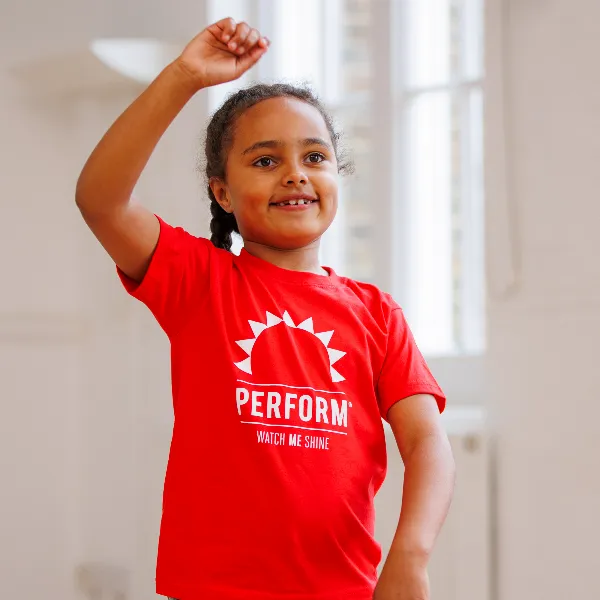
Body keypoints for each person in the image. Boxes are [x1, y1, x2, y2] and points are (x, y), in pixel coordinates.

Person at [75, 17, 456, 600]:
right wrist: (184, 78)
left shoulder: (376, 313)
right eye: (264, 161)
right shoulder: (199, 281)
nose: (295, 174)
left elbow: (428, 442)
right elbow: (100, 199)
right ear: (221, 192)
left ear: (336, 175)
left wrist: (411, 555)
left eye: (315, 156)